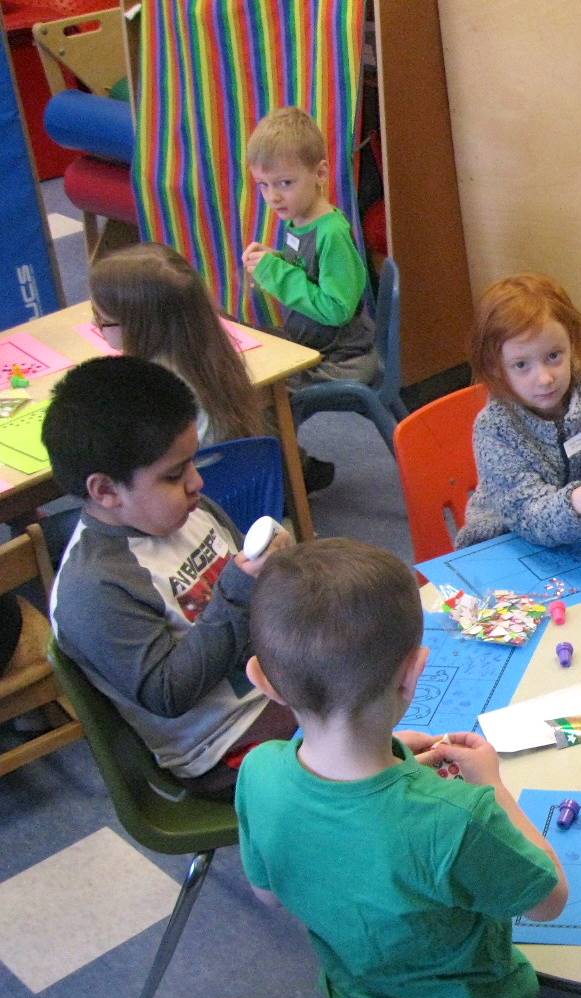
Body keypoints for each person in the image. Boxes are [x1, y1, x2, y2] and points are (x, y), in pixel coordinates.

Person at [236, 539, 571, 998]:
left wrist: (385, 765)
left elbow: (267, 888)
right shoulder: (457, 816)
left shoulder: (258, 773)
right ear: (413, 675)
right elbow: (549, 896)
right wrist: (493, 787)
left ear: (263, 679)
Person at [43, 356, 294, 795]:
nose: (196, 482)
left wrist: (281, 574)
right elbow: (168, 694)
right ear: (105, 491)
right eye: (174, 474)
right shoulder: (94, 588)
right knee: (380, 729)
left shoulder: (188, 513)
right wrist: (239, 593)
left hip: (279, 683)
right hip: (225, 744)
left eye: (191, 463)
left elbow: (258, 599)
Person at [455, 273, 581, 548]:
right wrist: (577, 503)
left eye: (553, 356)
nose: (544, 378)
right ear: (495, 367)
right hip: (505, 543)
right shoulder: (495, 428)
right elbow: (527, 514)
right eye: (521, 365)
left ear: (572, 344)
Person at [242, 105, 376, 491]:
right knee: (247, 361)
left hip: (342, 356)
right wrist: (276, 260)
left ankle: (294, 475)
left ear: (319, 173)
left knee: (265, 395)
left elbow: (336, 309)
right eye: (263, 186)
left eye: (284, 183)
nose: (273, 197)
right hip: (310, 343)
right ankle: (291, 466)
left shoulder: (331, 233)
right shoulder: (297, 221)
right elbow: (307, 275)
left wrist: (276, 273)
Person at [89, 242, 268, 446]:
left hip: (187, 475)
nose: (94, 323)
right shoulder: (207, 352)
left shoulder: (153, 389)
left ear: (141, 326)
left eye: (101, 317)